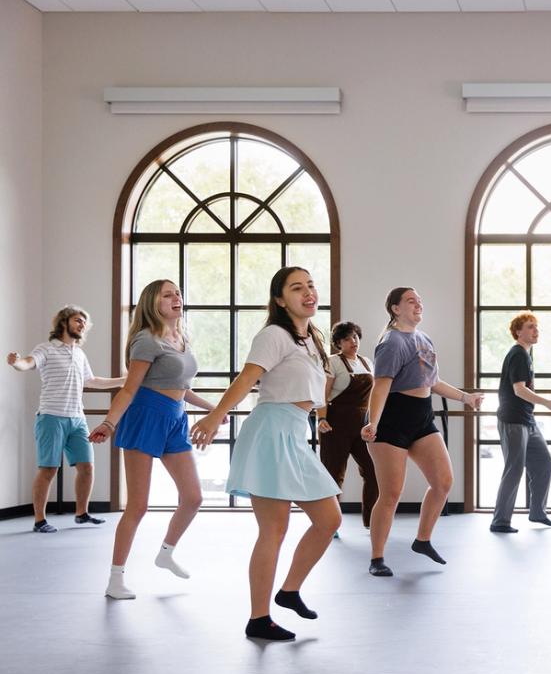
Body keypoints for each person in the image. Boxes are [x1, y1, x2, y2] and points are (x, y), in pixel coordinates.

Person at [191, 267, 342, 641]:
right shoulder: (273, 335)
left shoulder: (310, 338)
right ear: (279, 299)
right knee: (273, 530)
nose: (308, 292)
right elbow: (246, 379)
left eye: (310, 285)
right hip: (272, 432)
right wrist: (214, 416)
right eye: (296, 288)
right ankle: (259, 617)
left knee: (330, 520)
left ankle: (289, 590)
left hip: (295, 433)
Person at [89, 280, 222, 600]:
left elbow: (181, 387)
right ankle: (115, 578)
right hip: (145, 416)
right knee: (138, 505)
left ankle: (166, 552)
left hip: (175, 417)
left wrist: (215, 409)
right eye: (167, 294)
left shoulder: (181, 339)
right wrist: (109, 423)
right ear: (153, 303)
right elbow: (130, 388)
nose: (176, 297)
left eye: (177, 292)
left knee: (193, 497)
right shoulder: (145, 340)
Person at [359, 287, 483, 577]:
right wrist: (373, 422)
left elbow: (433, 381)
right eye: (411, 301)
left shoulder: (423, 339)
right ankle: (377, 558)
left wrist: (466, 398)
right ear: (395, 308)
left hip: (421, 417)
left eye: (420, 301)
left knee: (443, 482)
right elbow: (381, 385)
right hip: (391, 419)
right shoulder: (391, 342)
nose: (418, 305)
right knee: (390, 494)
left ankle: (423, 540)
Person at [7, 306, 125, 532]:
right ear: (64, 322)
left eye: (84, 323)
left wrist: (126, 382)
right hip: (51, 416)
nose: (82, 325)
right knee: (48, 469)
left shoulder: (79, 353)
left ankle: (81, 514)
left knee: (87, 467)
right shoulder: (47, 349)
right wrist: (16, 363)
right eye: (78, 320)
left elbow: (92, 381)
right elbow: (28, 363)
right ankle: (39, 521)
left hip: (77, 418)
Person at [489, 311, 551, 533]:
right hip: (513, 421)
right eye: (530, 326)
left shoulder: (526, 355)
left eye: (536, 326)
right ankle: (500, 521)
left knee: (544, 463)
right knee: (514, 469)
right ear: (518, 332)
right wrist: (546, 402)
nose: (535, 330)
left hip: (527, 420)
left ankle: (537, 512)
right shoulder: (518, 354)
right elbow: (519, 390)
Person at [318, 321, 379, 530]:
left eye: (355, 337)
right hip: (335, 424)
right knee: (334, 474)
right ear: (338, 343)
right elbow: (323, 394)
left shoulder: (367, 362)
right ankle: (329, 524)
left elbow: (375, 397)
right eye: (346, 339)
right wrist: (321, 419)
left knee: (373, 470)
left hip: (363, 425)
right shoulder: (332, 362)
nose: (353, 342)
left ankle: (371, 520)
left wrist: (375, 422)